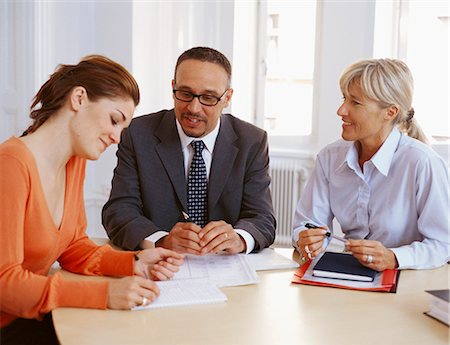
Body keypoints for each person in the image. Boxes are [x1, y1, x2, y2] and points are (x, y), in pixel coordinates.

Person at [0, 55, 184, 345]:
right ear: (79, 98)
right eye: (114, 120)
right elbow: (3, 283)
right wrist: (104, 295)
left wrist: (135, 263)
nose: (116, 138)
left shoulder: (74, 161)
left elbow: (73, 247)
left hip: (32, 317)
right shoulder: (11, 164)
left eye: (123, 129)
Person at [102, 46, 276, 255]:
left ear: (227, 98)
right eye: (185, 94)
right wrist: (161, 240)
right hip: (159, 270)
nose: (194, 108)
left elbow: (262, 218)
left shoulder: (252, 141)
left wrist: (239, 239)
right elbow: (119, 211)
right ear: (173, 88)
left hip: (226, 271)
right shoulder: (138, 134)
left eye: (209, 98)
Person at [293, 58, 449, 271]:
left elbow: (443, 244)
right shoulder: (329, 157)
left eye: (355, 103)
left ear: (390, 112)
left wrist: (394, 257)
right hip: (348, 275)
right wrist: (306, 237)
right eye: (344, 99)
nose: (341, 110)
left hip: (405, 279)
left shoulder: (422, 162)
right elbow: (307, 223)